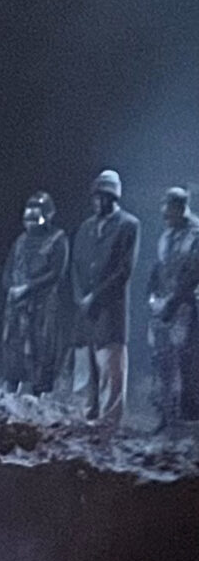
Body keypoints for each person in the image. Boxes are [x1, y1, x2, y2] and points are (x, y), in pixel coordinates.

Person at [70, 168, 142, 427]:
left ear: (113, 198)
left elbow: (124, 270)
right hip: (85, 313)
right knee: (84, 372)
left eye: (103, 196)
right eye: (95, 197)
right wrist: (81, 297)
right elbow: (75, 266)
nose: (97, 202)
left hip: (109, 311)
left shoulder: (128, 226)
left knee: (110, 371)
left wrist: (95, 297)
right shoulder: (86, 228)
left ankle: (108, 425)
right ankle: (83, 418)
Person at [0, 193, 68, 394]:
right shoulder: (21, 240)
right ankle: (11, 391)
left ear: (47, 216)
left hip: (42, 307)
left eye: (34, 219)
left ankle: (37, 396)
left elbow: (56, 273)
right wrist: (10, 288)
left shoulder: (57, 239)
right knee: (13, 349)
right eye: (26, 219)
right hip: (17, 307)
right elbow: (9, 268)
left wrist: (28, 287)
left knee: (41, 350)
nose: (29, 224)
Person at [146, 184, 199, 427]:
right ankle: (166, 414)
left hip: (186, 307)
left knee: (186, 361)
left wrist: (174, 302)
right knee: (163, 360)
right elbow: (158, 268)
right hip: (163, 306)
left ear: (180, 208)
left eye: (169, 209)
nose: (164, 214)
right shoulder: (166, 235)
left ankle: (187, 415)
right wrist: (153, 297)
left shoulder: (195, 235)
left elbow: (192, 274)